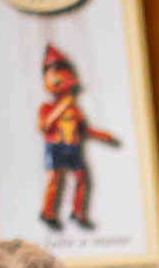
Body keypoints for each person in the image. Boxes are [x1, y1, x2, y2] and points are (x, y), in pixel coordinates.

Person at [36, 44, 119, 230]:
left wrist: (103, 136)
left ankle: (78, 212)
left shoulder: (74, 110)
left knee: (81, 178)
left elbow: (83, 130)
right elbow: (44, 126)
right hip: (55, 146)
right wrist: (62, 106)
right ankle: (47, 212)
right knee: (54, 179)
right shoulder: (47, 107)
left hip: (72, 148)